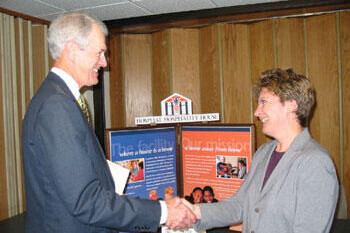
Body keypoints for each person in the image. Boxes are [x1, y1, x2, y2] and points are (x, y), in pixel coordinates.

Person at [21, 12, 196, 233]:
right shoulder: (56, 106)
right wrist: (163, 211)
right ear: (72, 49)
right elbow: (85, 201)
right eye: (100, 53)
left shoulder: (56, 99)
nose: (104, 62)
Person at [184, 68, 339, 233]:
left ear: (291, 105)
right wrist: (195, 212)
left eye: (264, 102)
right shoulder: (264, 152)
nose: (257, 112)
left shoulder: (316, 163)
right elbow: (240, 205)